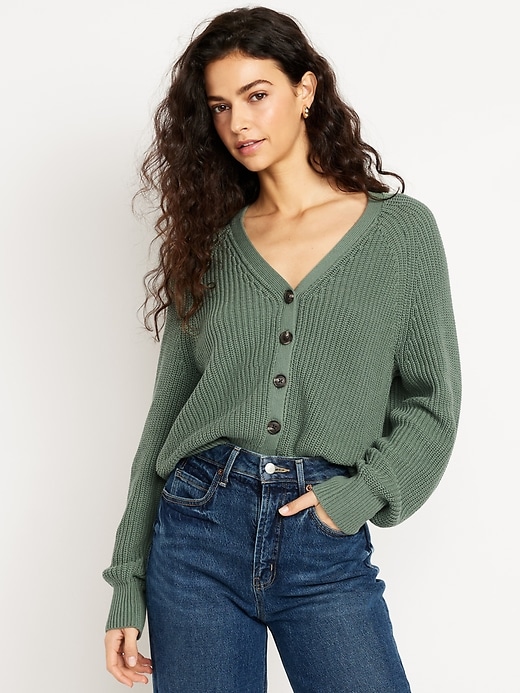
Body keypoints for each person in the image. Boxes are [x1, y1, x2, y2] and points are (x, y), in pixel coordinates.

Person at [103, 6, 461, 692]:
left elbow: (431, 403)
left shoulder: (400, 234)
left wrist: (356, 497)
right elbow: (167, 416)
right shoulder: (208, 244)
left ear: (305, 90)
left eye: (256, 95)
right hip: (196, 531)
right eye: (220, 106)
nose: (238, 122)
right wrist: (127, 580)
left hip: (321, 540)